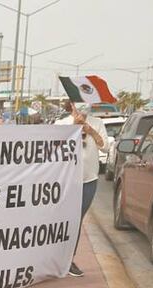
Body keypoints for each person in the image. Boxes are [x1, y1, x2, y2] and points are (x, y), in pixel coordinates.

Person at [56, 102, 105, 277]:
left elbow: (104, 146)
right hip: (66, 181)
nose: (83, 106)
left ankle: (69, 260)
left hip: (89, 179)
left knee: (76, 220)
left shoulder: (97, 122)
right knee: (62, 220)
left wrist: (89, 130)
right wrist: (73, 128)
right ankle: (54, 257)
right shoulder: (61, 124)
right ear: (71, 105)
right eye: (78, 103)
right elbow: (54, 147)